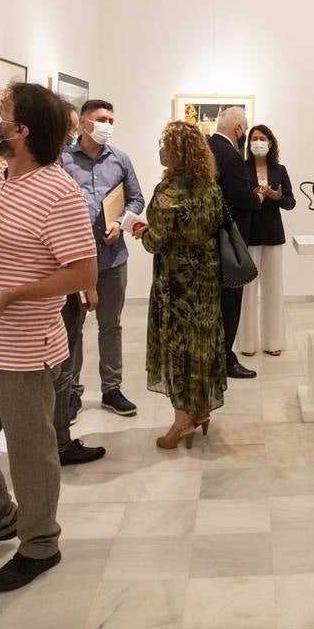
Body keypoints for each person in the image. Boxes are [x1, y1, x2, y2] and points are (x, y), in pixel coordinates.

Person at [0, 83, 98, 592]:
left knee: (31, 455)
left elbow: (83, 272)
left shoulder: (59, 193)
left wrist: (17, 295)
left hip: (24, 351)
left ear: (21, 131)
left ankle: (39, 544)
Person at [53, 98, 144, 438]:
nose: (108, 124)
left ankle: (111, 389)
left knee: (111, 324)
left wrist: (120, 223)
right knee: (72, 328)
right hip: (73, 261)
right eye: (102, 118)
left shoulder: (120, 159)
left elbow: (137, 198)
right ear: (84, 124)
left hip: (112, 258)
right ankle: (72, 392)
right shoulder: (62, 161)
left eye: (111, 119)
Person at [133, 121, 227, 449]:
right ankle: (201, 411)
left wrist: (142, 231)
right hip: (207, 276)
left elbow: (155, 241)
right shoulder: (210, 186)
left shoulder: (168, 190)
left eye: (164, 144)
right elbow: (214, 224)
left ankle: (182, 422)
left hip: (177, 281)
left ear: (175, 151)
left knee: (179, 348)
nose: (161, 149)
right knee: (202, 344)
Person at [207, 106, 258, 379]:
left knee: (215, 302)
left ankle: (215, 356)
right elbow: (240, 196)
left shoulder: (207, 147)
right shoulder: (230, 154)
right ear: (239, 129)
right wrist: (257, 198)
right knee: (230, 300)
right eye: (245, 131)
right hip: (230, 239)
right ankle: (226, 359)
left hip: (210, 240)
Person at [240, 124, 295, 357]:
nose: (258, 142)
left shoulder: (279, 170)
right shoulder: (241, 169)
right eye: (254, 138)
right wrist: (255, 196)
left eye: (262, 138)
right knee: (247, 292)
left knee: (273, 289)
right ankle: (246, 343)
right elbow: (237, 199)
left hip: (272, 234)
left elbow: (290, 202)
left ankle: (273, 342)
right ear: (249, 143)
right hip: (249, 235)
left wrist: (276, 196)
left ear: (270, 143)